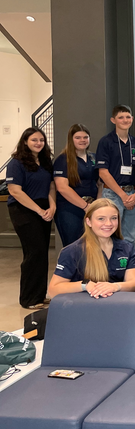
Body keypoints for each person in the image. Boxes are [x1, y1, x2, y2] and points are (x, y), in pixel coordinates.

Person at [48, 199, 135, 298]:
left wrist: (115, 286)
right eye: (101, 219)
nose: (109, 224)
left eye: (113, 218)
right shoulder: (72, 251)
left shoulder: (127, 248)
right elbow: (53, 290)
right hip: (84, 307)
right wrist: (85, 285)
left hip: (115, 306)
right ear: (89, 222)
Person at [7, 127, 56, 309]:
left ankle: (39, 295)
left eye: (41, 140)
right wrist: (38, 210)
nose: (38, 143)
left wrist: (52, 207)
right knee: (33, 253)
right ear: (25, 141)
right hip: (24, 210)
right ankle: (28, 299)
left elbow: (52, 186)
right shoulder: (17, 163)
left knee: (42, 253)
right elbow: (15, 191)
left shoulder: (45, 161)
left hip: (43, 209)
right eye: (34, 140)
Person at [95, 105, 135, 245]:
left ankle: (127, 265)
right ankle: (110, 266)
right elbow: (103, 172)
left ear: (132, 119)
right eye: (121, 117)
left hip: (132, 194)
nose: (125, 120)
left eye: (128, 117)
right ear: (113, 120)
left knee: (130, 236)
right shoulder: (106, 142)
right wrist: (122, 195)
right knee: (110, 234)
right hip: (112, 194)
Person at [53, 124, 99, 246]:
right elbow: (62, 187)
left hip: (91, 207)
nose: (82, 140)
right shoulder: (63, 160)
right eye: (78, 137)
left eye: (85, 137)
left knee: (92, 246)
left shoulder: (93, 157)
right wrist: (85, 206)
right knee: (73, 246)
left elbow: (100, 182)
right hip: (70, 209)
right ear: (71, 139)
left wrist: (97, 204)